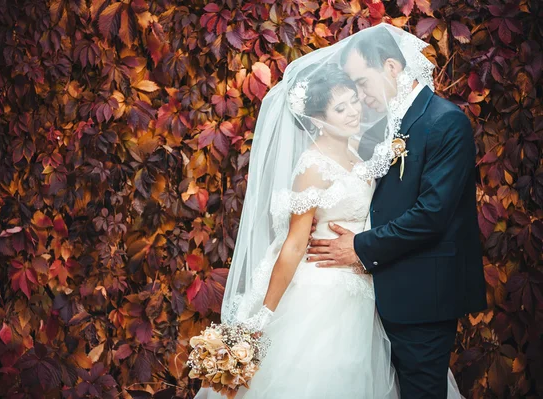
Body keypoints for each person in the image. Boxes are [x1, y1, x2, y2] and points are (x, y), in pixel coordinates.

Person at [192, 24, 466, 399]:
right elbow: (292, 244)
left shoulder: (369, 145)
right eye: (342, 106)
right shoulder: (311, 166)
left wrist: (363, 248)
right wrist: (262, 317)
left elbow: (424, 211)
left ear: (389, 68)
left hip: (369, 291)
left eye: (356, 95)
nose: (357, 108)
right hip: (323, 288)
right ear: (318, 118)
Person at [305, 25, 488, 399]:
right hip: (379, 292)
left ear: (391, 67)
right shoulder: (385, 127)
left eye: (362, 82)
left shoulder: (444, 122)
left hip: (423, 295)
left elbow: (431, 215)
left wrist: (360, 246)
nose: (360, 96)